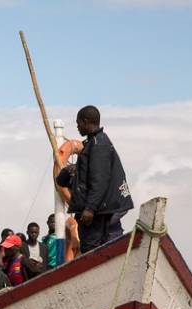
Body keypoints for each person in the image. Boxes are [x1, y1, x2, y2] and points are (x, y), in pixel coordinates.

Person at [56, 105, 134, 253]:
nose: (77, 127)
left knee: (95, 250)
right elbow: (64, 181)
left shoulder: (99, 145)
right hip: (97, 211)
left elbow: (100, 179)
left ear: (86, 121)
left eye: (78, 123)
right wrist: (70, 172)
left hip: (99, 214)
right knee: (95, 248)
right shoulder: (92, 144)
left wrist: (90, 208)